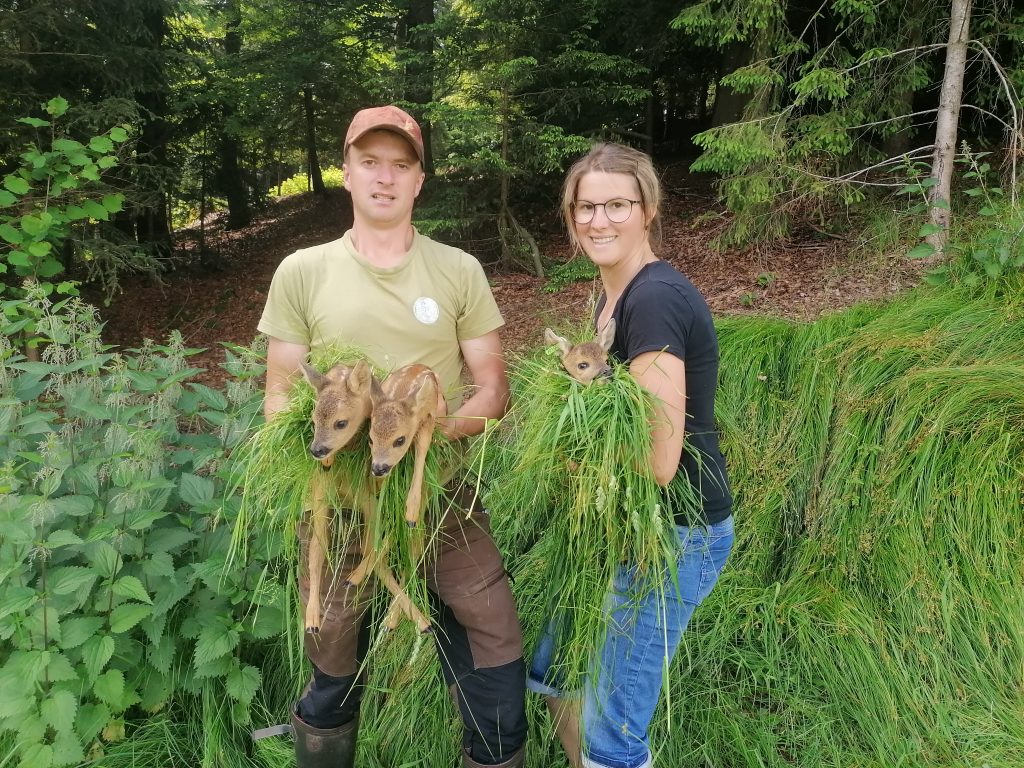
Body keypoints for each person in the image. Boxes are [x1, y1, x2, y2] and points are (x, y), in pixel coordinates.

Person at [258, 105, 527, 768]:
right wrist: (322, 455)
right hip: (342, 501)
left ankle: (495, 747)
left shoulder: (457, 269)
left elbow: (493, 384)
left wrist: (440, 428)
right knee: (332, 655)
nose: (385, 177)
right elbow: (279, 395)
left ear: (419, 180)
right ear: (345, 173)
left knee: (492, 636)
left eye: (400, 165)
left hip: (441, 491)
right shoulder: (303, 270)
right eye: (370, 162)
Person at [527, 142, 735, 768]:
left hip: (675, 535)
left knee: (614, 733)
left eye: (617, 204)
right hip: (627, 525)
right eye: (586, 207)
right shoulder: (611, 299)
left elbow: (658, 460)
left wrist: (568, 464)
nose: (599, 220)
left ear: (648, 210)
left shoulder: (654, 300)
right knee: (554, 669)